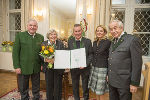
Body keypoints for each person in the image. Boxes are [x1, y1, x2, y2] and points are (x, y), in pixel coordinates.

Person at [108, 20, 142, 100]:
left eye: (115, 28)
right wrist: (108, 74)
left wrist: (134, 83)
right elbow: (111, 59)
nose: (113, 31)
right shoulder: (113, 41)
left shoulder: (132, 40)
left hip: (124, 82)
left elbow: (137, 63)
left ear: (121, 28)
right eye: (111, 29)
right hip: (112, 80)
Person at [12, 19, 44, 100]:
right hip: (23, 66)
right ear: (27, 26)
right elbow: (15, 52)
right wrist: (16, 66)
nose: (32, 27)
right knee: (23, 85)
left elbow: (42, 53)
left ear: (37, 27)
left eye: (34, 26)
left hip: (36, 66)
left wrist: (42, 64)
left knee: (36, 84)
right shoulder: (20, 35)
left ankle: (36, 97)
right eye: (31, 25)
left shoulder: (41, 37)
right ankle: (25, 97)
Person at [68, 24, 93, 100]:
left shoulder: (88, 41)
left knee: (85, 87)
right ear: (73, 32)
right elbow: (69, 53)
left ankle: (86, 98)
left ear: (81, 31)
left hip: (85, 68)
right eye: (76, 31)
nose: (77, 33)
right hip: (74, 68)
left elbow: (91, 54)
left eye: (79, 31)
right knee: (75, 87)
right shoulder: (70, 41)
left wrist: (85, 64)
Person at [88, 25, 111, 100]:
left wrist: (108, 73)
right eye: (97, 31)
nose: (99, 32)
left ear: (105, 32)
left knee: (100, 91)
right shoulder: (94, 42)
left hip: (103, 69)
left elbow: (110, 58)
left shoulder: (108, 42)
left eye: (101, 31)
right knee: (95, 90)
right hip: (94, 68)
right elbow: (92, 54)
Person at [41, 29, 64, 100]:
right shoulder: (44, 43)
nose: (53, 36)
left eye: (55, 34)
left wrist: (55, 60)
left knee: (58, 86)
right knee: (49, 85)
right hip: (48, 68)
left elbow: (63, 54)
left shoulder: (60, 43)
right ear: (48, 36)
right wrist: (45, 59)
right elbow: (40, 55)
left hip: (58, 68)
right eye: (51, 34)